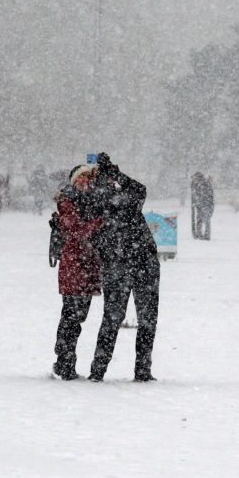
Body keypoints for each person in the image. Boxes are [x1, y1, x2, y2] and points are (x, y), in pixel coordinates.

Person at [88, 152, 160, 382]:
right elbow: (138, 192)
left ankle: (139, 369)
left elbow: (140, 190)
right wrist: (111, 177)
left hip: (136, 264)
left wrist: (116, 175)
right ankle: (101, 369)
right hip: (122, 265)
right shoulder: (100, 201)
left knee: (143, 320)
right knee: (114, 319)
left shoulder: (121, 199)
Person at [51, 165, 103, 380]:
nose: (85, 181)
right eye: (81, 177)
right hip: (74, 267)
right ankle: (64, 361)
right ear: (73, 180)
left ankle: (64, 360)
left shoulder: (92, 202)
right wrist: (101, 222)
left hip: (88, 268)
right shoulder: (67, 202)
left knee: (77, 317)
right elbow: (77, 232)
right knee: (71, 316)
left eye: (88, 177)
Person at [190, 172, 215, 240]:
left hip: (205, 204)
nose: (194, 180)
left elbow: (207, 195)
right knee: (201, 219)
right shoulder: (196, 184)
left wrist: (197, 202)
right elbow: (195, 195)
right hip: (201, 204)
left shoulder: (203, 183)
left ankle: (205, 235)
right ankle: (200, 234)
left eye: (195, 179)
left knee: (205, 220)